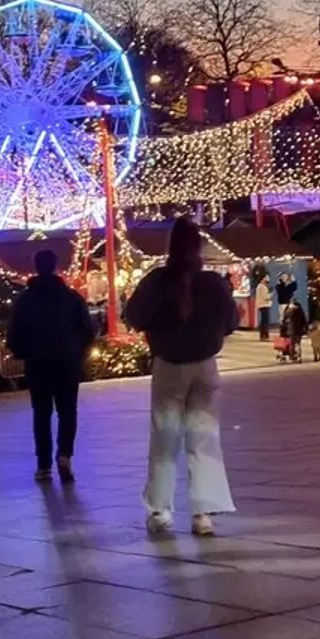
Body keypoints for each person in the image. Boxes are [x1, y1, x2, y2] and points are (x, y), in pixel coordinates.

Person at [124, 217, 240, 538]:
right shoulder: (214, 284)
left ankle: (160, 511)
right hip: (205, 364)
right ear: (199, 247)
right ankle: (203, 514)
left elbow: (133, 315)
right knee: (204, 437)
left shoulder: (157, 281)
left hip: (169, 364)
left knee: (165, 438)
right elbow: (231, 321)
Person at [6, 248, 96, 482]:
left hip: (38, 362)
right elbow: (87, 330)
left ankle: (43, 465)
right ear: (55, 266)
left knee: (42, 413)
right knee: (67, 411)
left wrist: (24, 352)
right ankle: (64, 454)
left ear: (36, 267)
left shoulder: (25, 301)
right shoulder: (72, 298)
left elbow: (14, 335)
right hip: (66, 361)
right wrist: (76, 350)